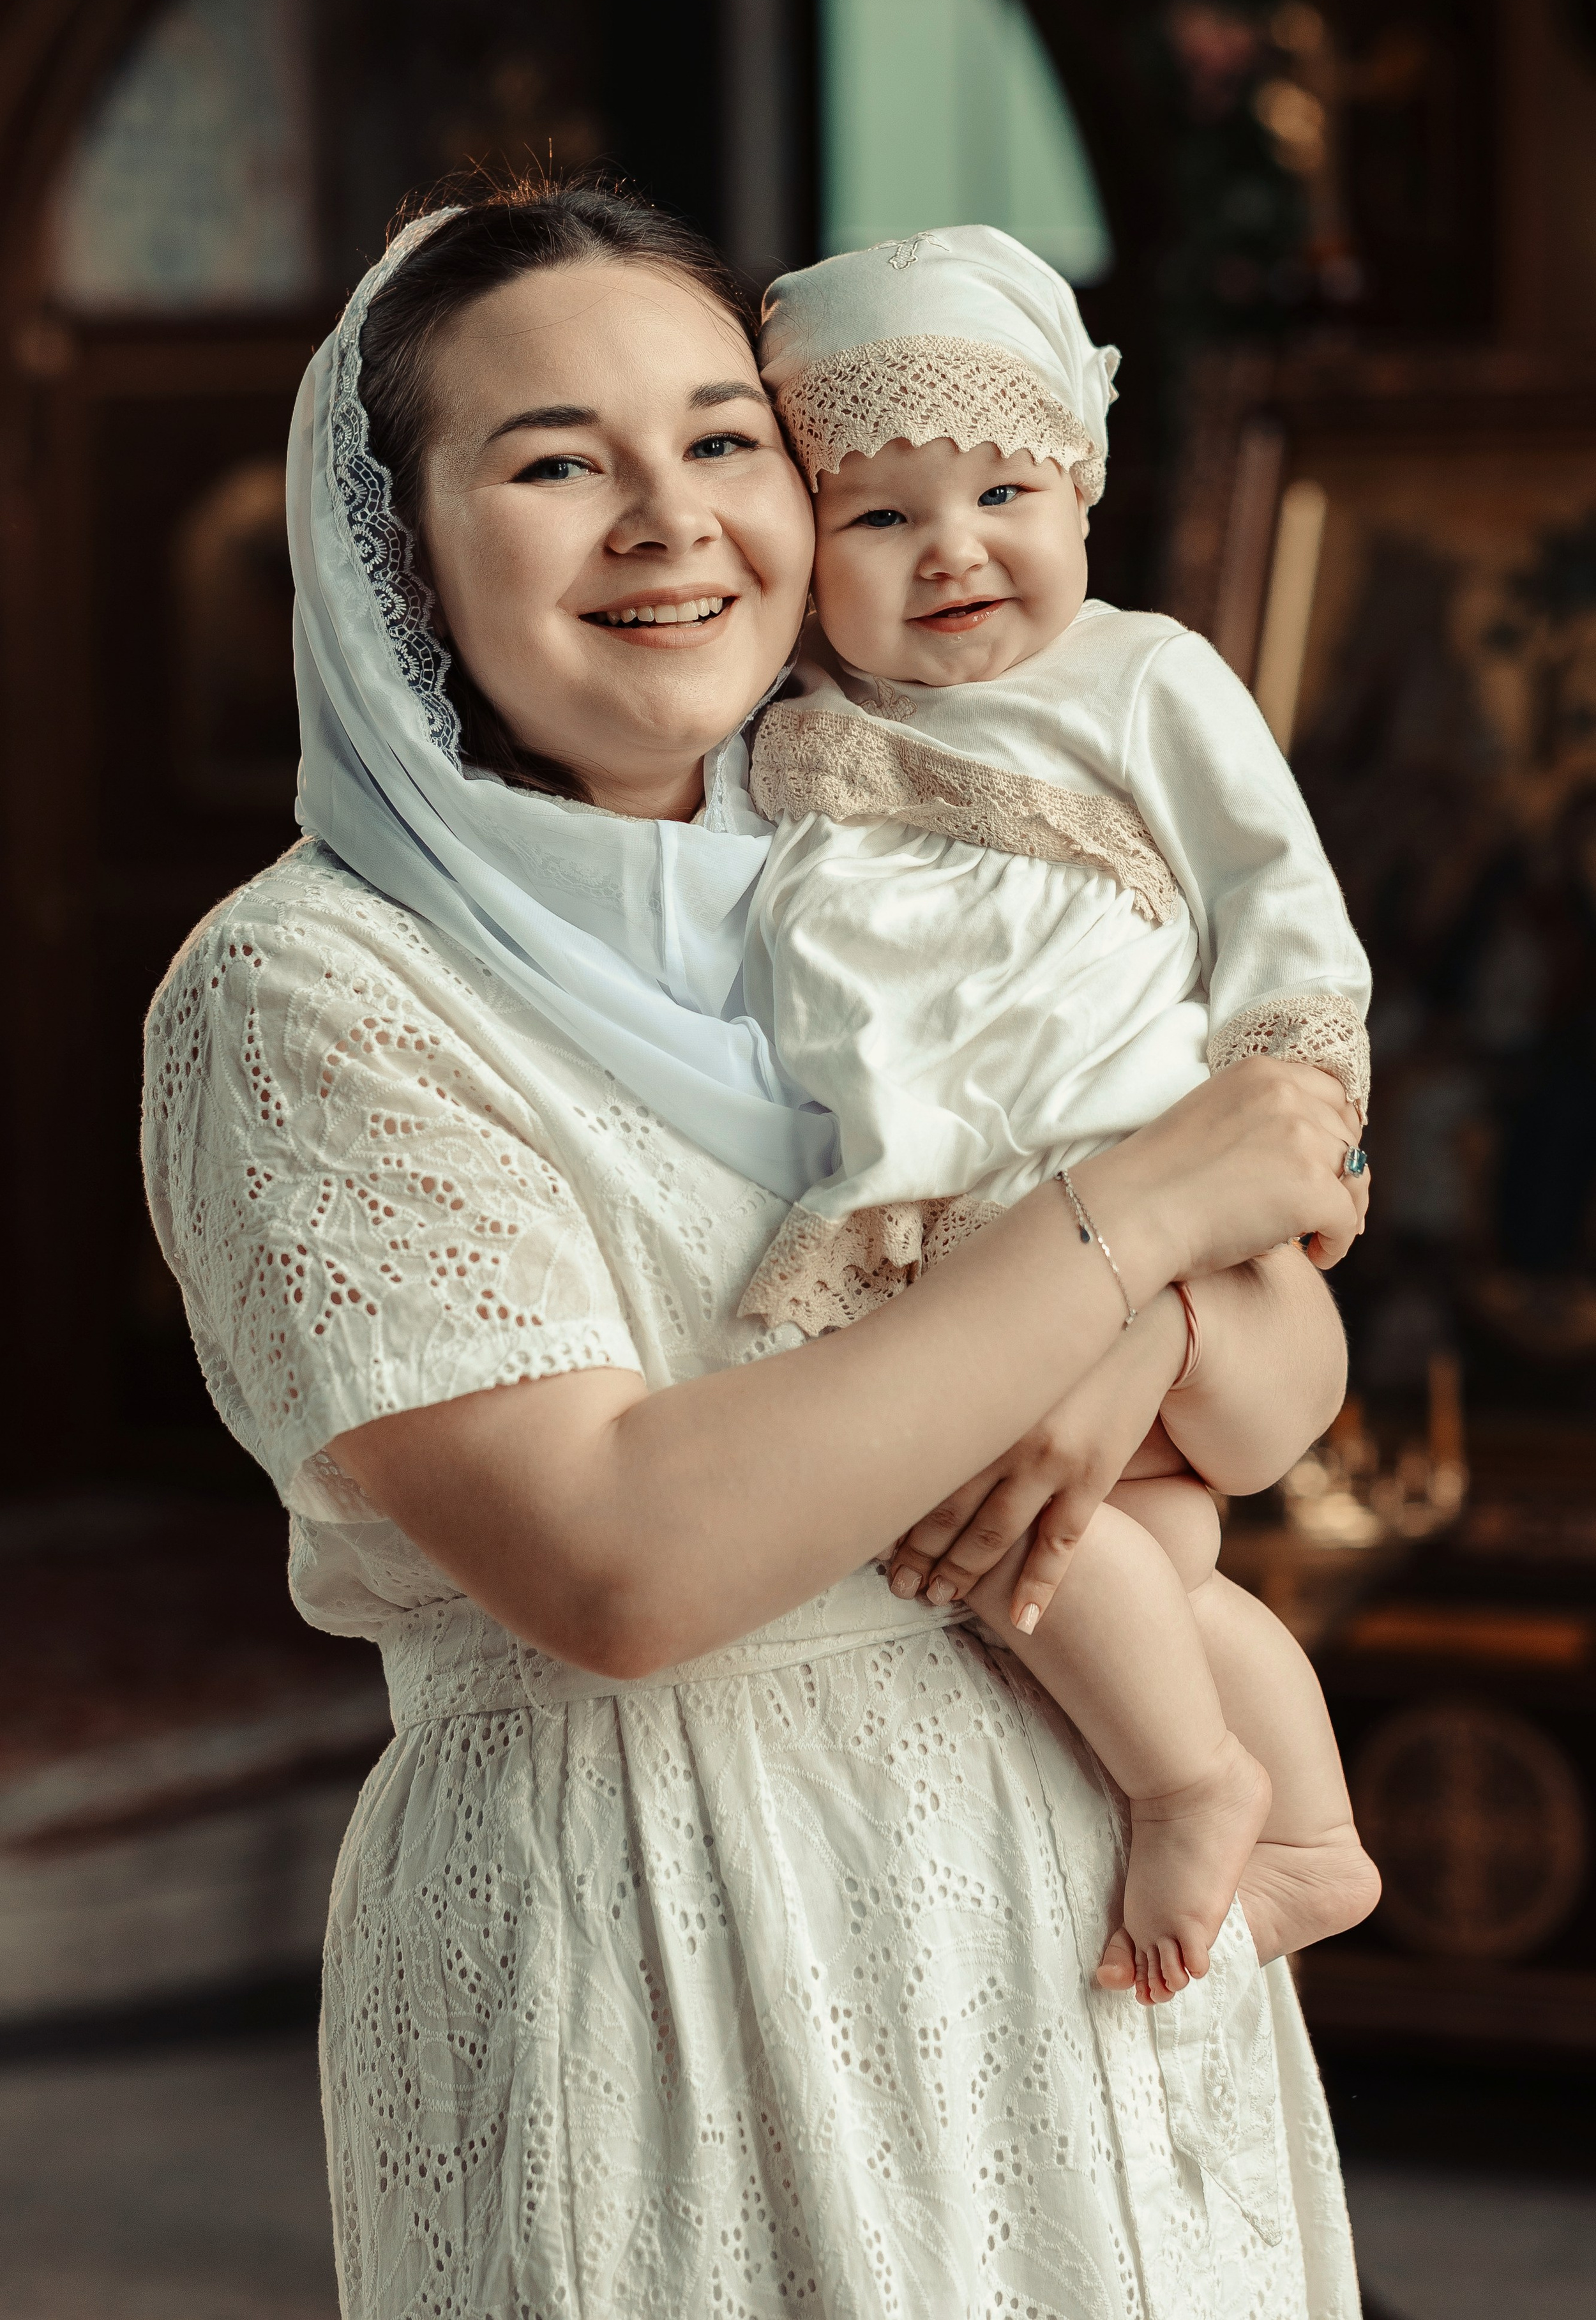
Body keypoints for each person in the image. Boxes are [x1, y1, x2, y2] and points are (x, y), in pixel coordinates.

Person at [143, 180, 1368, 2319]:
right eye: (553, 462)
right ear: (390, 551)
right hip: (669, 1961)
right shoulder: (310, 989)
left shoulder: (903, 884)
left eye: (723, 441)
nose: (667, 519)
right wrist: (1140, 1220)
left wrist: (1135, 1316)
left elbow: (1266, 1409)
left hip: (1086, 1957)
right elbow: (626, 1561)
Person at [739, 225, 1382, 2003]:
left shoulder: (1144, 678)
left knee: (1016, 1520)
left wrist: (1294, 1130)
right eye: (877, 518)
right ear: (803, 550)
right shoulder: (783, 736)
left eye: (1002, 489)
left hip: (1124, 1191)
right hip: (942, 1228)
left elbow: (1283, 915)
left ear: (1082, 487)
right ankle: (1311, 1835)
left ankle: (1196, 1780)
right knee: (1109, 1564)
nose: (951, 549)